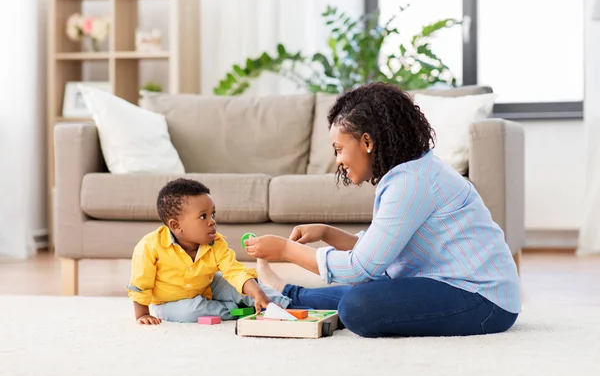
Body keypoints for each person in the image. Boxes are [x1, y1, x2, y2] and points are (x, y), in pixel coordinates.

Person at [244, 82, 521, 338]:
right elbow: (377, 254)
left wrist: (285, 251)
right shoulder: (408, 174)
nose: (338, 160)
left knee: (358, 305)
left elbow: (361, 268)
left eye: (339, 149)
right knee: (370, 290)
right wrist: (327, 233)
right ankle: (284, 293)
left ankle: (287, 293)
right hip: (456, 285)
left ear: (367, 142)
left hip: (483, 301)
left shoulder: (410, 183)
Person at [126, 178, 290, 325]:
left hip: (208, 285)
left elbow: (235, 271)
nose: (212, 222)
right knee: (190, 312)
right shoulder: (149, 246)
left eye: (213, 214)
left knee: (244, 286)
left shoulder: (216, 242)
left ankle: (281, 304)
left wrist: (257, 293)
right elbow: (141, 284)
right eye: (203, 217)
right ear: (176, 226)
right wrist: (142, 315)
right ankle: (236, 309)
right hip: (170, 301)